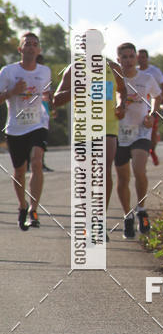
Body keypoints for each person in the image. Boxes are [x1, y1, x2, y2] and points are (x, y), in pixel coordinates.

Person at [53, 53, 126, 238]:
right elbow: (56, 99)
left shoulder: (113, 68)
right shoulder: (74, 69)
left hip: (108, 125)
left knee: (103, 169)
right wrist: (77, 88)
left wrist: (121, 104)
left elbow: (121, 90)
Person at [0, 33, 52, 230]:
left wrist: (49, 100)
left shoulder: (45, 71)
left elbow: (46, 95)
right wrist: (12, 92)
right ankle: (22, 206)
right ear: (20, 49)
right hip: (16, 127)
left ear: (39, 50)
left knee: (37, 162)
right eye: (27, 44)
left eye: (34, 44)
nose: (31, 47)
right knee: (19, 171)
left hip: (38, 124)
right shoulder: (8, 71)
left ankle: (34, 210)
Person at [115, 42, 161, 238]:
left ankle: (141, 209)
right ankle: (128, 216)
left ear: (136, 58)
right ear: (118, 60)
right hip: (119, 133)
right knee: (123, 178)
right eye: (124, 57)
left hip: (141, 131)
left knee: (139, 170)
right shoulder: (114, 79)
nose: (128, 60)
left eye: (131, 56)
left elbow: (157, 96)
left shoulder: (146, 78)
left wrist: (152, 114)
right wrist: (115, 110)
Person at [137, 49, 163, 166]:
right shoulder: (134, 71)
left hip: (152, 107)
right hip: (138, 107)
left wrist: (161, 99)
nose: (141, 60)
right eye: (139, 57)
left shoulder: (154, 71)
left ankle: (152, 150)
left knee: (153, 132)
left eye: (143, 57)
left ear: (147, 58)